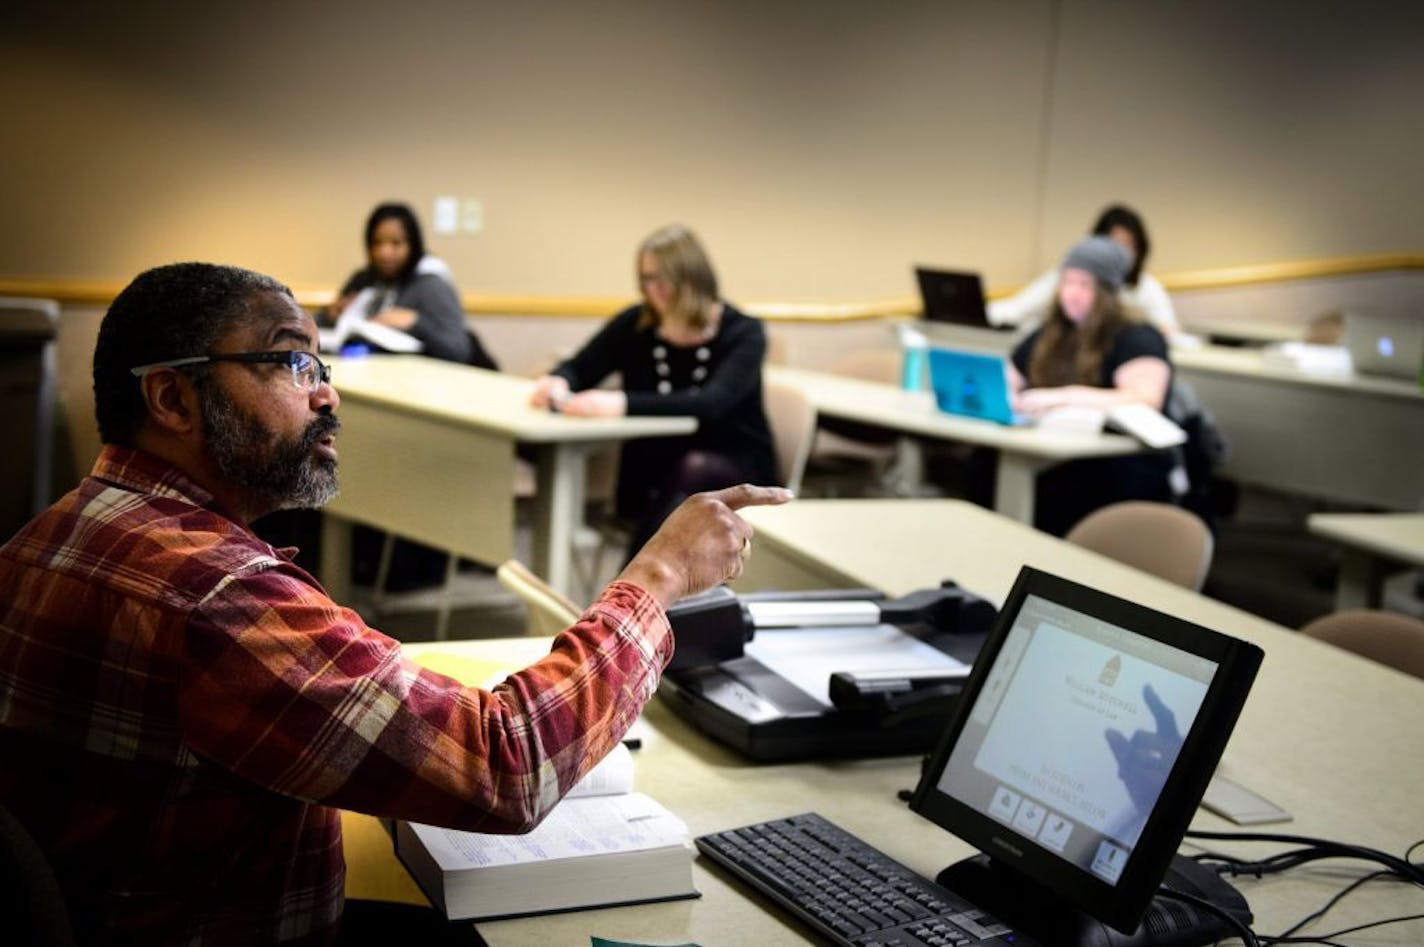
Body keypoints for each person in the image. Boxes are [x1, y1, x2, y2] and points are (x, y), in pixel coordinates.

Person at [0, 261, 792, 946]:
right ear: (172, 398)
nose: (326, 397)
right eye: (292, 363)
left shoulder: (48, 532)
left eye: (323, 365)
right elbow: (503, 764)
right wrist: (658, 577)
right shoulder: (217, 597)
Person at [530, 225, 778, 559]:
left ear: (694, 278)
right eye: (646, 278)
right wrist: (558, 380)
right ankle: (639, 593)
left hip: (733, 463)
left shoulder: (743, 332)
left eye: (665, 278)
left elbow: (711, 402)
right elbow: (581, 366)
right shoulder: (637, 324)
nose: (654, 289)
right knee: (667, 477)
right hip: (653, 468)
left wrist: (622, 404)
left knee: (692, 470)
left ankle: (633, 589)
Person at [1007, 236, 1176, 536]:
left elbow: (1145, 398)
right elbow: (1009, 379)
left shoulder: (1137, 336)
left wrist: (1064, 397)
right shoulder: (1052, 333)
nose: (1071, 294)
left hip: (1117, 462)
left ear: (1107, 292)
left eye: (1084, 285)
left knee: (1067, 488)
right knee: (987, 465)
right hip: (1056, 451)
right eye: (1067, 282)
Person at [326, 202, 492, 366]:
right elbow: (324, 331)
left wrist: (416, 323)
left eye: (396, 243)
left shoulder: (431, 285)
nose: (384, 253)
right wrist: (331, 314)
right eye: (376, 243)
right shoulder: (362, 279)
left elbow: (458, 351)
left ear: (413, 245)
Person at [988, 204, 1180, 336]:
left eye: (1127, 245)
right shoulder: (1068, 277)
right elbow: (1018, 308)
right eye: (1071, 283)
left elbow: (1168, 330)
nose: (1074, 293)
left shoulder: (1147, 290)